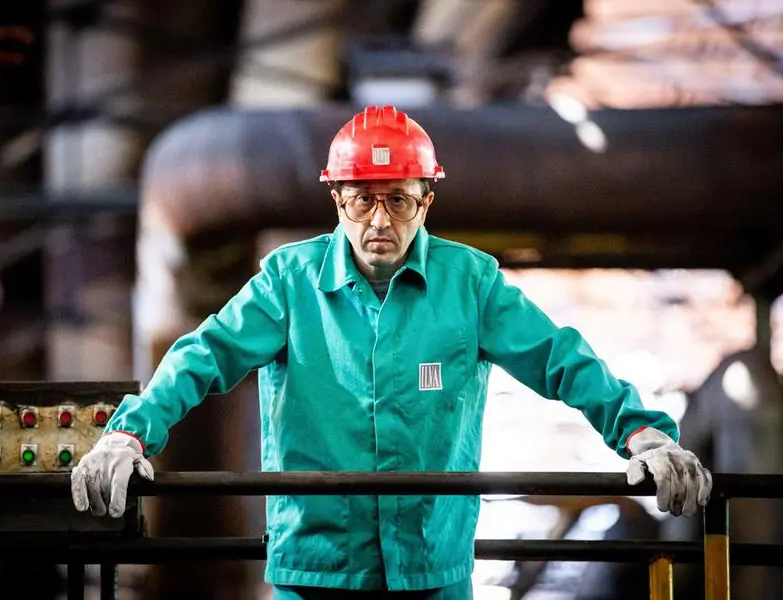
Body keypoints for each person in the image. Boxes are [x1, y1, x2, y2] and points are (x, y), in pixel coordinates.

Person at [71, 105, 712, 599]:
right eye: (361, 199)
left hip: (432, 567)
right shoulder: (288, 284)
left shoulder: (472, 284)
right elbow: (204, 355)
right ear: (336, 200)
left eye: (398, 200)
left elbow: (558, 358)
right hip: (315, 570)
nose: (379, 221)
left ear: (426, 201)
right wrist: (130, 435)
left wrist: (644, 435)